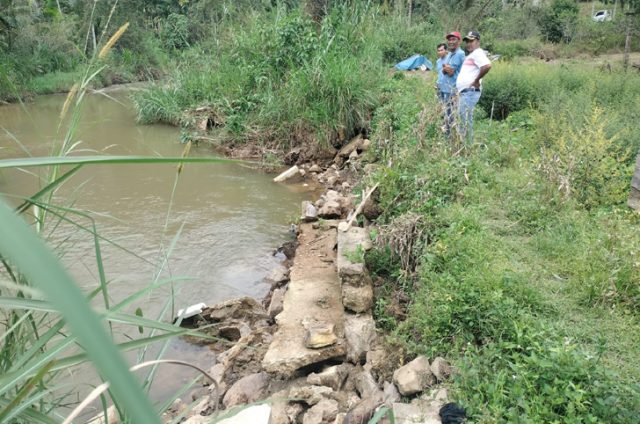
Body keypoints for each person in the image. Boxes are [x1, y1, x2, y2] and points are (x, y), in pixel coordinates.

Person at [456, 31, 492, 144]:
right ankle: (465, 145)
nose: (469, 44)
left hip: (470, 92)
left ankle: (467, 146)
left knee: (465, 120)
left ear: (478, 41)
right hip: (465, 92)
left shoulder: (478, 53)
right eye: (467, 41)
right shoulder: (471, 55)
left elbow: (487, 66)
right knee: (464, 118)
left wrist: (476, 81)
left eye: (471, 41)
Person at [438, 32, 465, 136]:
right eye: (449, 40)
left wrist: (446, 68)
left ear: (459, 41)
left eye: (453, 39)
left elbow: (450, 72)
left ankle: (452, 138)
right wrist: (446, 68)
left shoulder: (459, 54)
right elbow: (444, 69)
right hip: (445, 89)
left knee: (452, 116)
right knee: (447, 114)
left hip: (453, 90)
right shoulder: (449, 54)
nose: (451, 42)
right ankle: (449, 137)